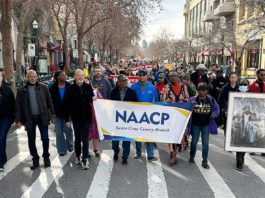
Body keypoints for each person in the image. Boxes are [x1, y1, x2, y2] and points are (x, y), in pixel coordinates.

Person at [15, 70, 55, 170]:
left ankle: (46, 157)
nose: (33, 78)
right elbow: (18, 106)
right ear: (27, 77)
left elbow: (49, 102)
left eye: (34, 76)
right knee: (31, 140)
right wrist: (18, 120)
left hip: (43, 116)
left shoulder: (43, 87)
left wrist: (52, 115)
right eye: (30, 76)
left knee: (45, 138)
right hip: (29, 118)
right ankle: (35, 159)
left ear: (37, 77)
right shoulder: (21, 90)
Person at [65, 69, 94, 170]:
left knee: (85, 139)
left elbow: (92, 99)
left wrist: (94, 97)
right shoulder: (70, 88)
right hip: (76, 118)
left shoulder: (88, 86)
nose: (80, 77)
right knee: (77, 138)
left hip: (86, 118)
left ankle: (85, 158)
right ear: (75, 76)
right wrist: (67, 120)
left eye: (82, 75)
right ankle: (77, 155)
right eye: (78, 75)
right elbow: (67, 105)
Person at [160, 71, 189, 165]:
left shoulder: (183, 87)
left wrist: (184, 102)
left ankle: (177, 150)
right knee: (171, 135)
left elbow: (187, 98)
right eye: (171, 76)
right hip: (170, 116)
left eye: (175, 76)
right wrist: (168, 101)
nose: (173, 78)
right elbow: (162, 101)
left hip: (181, 115)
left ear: (178, 77)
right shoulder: (166, 88)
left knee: (180, 134)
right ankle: (173, 154)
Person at [188, 83, 219, 169]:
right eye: (199, 90)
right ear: (197, 91)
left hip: (205, 125)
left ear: (207, 91)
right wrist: (191, 105)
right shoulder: (192, 99)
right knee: (194, 142)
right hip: (195, 125)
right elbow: (186, 109)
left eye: (203, 90)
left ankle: (205, 161)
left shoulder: (211, 100)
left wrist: (214, 114)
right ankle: (191, 156)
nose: (201, 92)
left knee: (205, 144)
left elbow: (217, 109)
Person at [131, 69, 159, 162]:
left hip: (149, 115)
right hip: (137, 115)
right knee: (137, 134)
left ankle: (150, 154)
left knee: (149, 134)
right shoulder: (132, 87)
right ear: (137, 76)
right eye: (140, 74)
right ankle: (138, 152)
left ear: (147, 76)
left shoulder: (152, 88)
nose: (141, 76)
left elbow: (157, 102)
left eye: (143, 74)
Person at [110, 74, 138, 164]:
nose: (125, 82)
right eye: (123, 80)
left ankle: (125, 157)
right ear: (118, 82)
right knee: (115, 141)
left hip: (128, 120)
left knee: (126, 140)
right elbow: (109, 105)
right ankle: (116, 151)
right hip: (116, 120)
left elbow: (136, 106)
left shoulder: (132, 92)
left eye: (126, 80)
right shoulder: (113, 92)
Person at [49, 71, 73, 156]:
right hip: (57, 114)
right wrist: (51, 115)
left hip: (68, 113)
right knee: (59, 132)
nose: (65, 76)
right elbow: (50, 102)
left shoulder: (69, 87)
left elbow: (73, 101)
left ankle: (70, 144)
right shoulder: (52, 88)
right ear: (58, 77)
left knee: (68, 131)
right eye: (63, 75)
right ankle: (62, 149)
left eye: (65, 75)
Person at [0, 72, 15, 171]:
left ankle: (0, 163)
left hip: (6, 118)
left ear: (1, 78)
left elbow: (13, 104)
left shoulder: (7, 90)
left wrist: (14, 118)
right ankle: (3, 159)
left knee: (1, 138)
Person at [248, 68, 265, 157]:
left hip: (263, 111)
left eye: (264, 75)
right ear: (257, 75)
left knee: (263, 130)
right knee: (253, 130)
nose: (263, 76)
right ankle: (252, 148)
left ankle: (263, 149)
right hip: (254, 111)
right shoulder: (251, 86)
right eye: (261, 75)